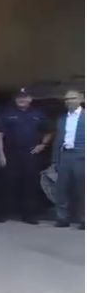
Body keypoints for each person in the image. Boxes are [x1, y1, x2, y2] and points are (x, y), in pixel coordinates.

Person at [0, 88, 50, 224]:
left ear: (30, 99)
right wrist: (1, 153)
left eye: (25, 97)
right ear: (15, 99)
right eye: (19, 97)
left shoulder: (38, 114)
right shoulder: (7, 114)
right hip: (11, 153)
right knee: (7, 184)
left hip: (30, 153)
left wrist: (42, 145)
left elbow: (49, 131)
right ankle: (4, 213)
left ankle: (29, 215)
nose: (22, 100)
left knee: (30, 185)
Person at [52, 89, 85, 229]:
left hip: (82, 155)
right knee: (62, 188)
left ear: (81, 99)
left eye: (72, 98)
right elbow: (58, 140)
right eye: (66, 99)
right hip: (65, 155)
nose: (69, 101)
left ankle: (84, 219)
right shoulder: (62, 119)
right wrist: (55, 159)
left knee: (83, 189)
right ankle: (62, 218)